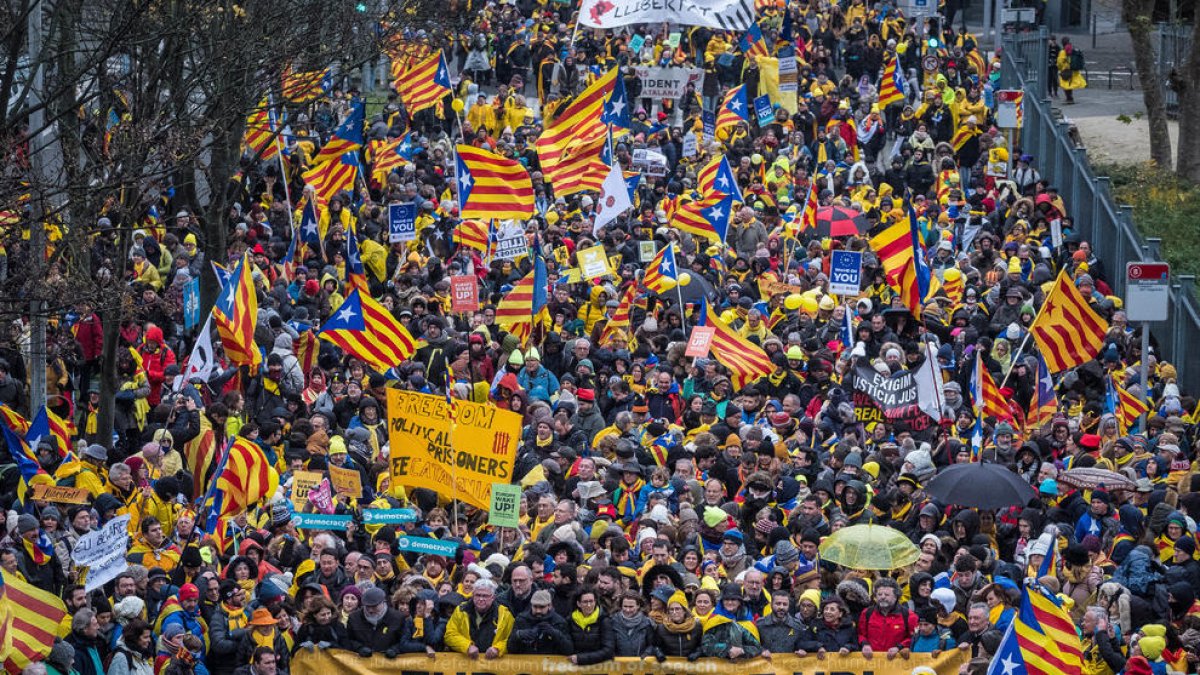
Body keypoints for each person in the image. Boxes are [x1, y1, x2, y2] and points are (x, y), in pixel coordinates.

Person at [444, 579, 513, 659]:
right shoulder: (461, 610)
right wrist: (467, 646)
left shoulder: (505, 614)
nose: (481, 599)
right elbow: (449, 635)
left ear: (493, 597)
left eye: (485, 596)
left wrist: (498, 649)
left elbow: (511, 639)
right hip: (466, 664)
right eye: (478, 595)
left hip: (494, 665)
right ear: (472, 595)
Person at [506, 589, 572, 655]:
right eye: (535, 606)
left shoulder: (559, 622)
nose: (538, 611)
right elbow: (510, 648)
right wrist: (519, 635)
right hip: (526, 662)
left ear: (549, 606)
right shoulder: (521, 620)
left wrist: (555, 634)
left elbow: (569, 649)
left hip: (550, 663)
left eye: (542, 607)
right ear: (531, 605)